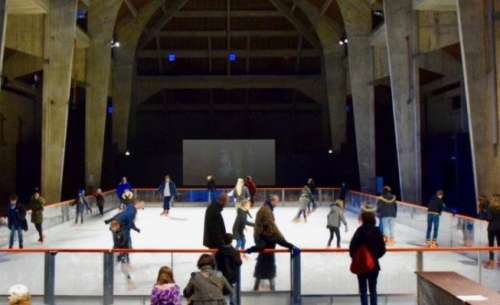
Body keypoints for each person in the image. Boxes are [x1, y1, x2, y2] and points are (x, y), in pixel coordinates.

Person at [246, 223, 298, 291]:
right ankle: (273, 291)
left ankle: (255, 291)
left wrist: (252, 249)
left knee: (258, 278)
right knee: (271, 277)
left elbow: (261, 247)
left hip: (262, 260)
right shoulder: (274, 237)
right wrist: (292, 247)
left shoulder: (263, 237)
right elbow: (283, 243)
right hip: (270, 259)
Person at [349, 211, 386, 305]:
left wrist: (356, 258)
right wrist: (374, 257)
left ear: (364, 219)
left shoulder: (359, 231)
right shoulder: (377, 231)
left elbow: (352, 247)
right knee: (373, 290)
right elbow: (382, 249)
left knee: (363, 290)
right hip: (374, 265)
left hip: (361, 265)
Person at [215, 233, 242, 305]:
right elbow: (239, 263)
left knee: (222, 296)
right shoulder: (235, 252)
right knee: (233, 296)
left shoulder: (219, 252)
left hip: (221, 276)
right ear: (231, 241)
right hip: (232, 277)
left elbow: (217, 262)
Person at [110, 220, 135, 290]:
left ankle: (130, 282)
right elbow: (110, 229)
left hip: (122, 252)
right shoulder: (114, 230)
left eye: (114, 227)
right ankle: (129, 282)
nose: (113, 229)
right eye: (112, 228)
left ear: (117, 225)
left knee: (123, 268)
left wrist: (119, 250)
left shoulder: (124, 232)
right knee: (112, 266)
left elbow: (125, 243)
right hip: (116, 251)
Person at [485, 194, 500, 269]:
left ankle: (491, 261)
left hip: (492, 228)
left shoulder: (491, 209)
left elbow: (489, 218)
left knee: (491, 245)